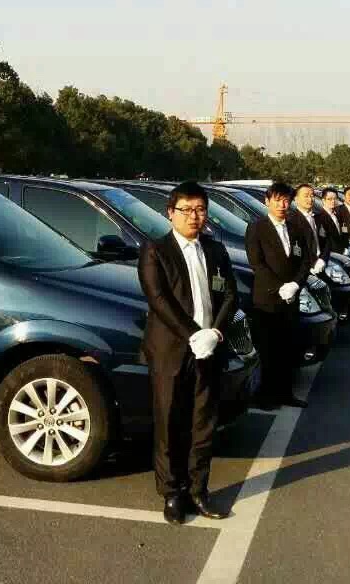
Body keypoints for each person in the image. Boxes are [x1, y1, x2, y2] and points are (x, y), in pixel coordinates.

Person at [137, 180, 238, 525]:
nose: (194, 216)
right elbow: (158, 299)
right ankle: (171, 493)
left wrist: (216, 333)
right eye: (186, 210)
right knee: (169, 423)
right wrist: (194, 335)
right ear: (170, 213)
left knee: (203, 425)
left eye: (200, 210)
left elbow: (230, 295)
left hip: (209, 350)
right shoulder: (155, 250)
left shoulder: (216, 250)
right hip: (171, 352)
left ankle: (198, 490)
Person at [244, 181, 310, 412]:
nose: (282, 205)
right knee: (268, 350)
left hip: (291, 297)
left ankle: (286, 393)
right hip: (267, 299)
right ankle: (265, 396)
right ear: (267, 201)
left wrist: (295, 284)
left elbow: (304, 260)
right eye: (277, 200)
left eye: (286, 200)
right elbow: (256, 263)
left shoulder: (295, 228)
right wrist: (279, 287)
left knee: (288, 347)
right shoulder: (257, 228)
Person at [288, 183, 329, 276]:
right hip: (305, 270)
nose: (310, 199)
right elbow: (295, 250)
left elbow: (326, 241)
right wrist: (309, 266)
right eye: (306, 196)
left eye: (312, 196)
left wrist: (322, 259)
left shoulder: (319, 217)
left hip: (321, 266)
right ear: (296, 199)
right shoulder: (291, 220)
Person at [318, 188, 347, 253]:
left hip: (342, 249)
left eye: (335, 199)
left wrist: (345, 246)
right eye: (329, 199)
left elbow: (344, 230)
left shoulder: (338, 214)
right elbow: (324, 241)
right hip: (331, 253)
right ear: (323, 200)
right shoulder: (320, 218)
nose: (333, 201)